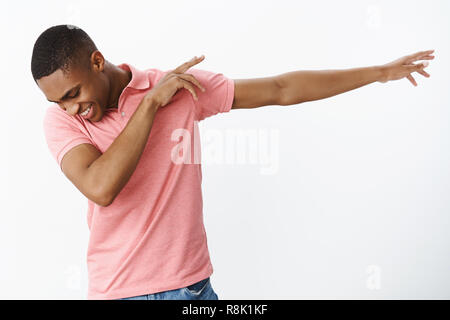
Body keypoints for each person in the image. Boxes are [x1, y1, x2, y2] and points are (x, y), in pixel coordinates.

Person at [31, 24, 434, 300]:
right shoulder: (63, 123)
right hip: (115, 289)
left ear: (97, 62)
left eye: (72, 93)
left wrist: (380, 72)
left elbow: (280, 88)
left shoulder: (178, 87)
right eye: (58, 102)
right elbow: (100, 187)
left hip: (189, 288)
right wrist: (151, 105)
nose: (70, 109)